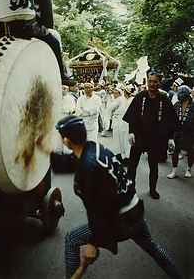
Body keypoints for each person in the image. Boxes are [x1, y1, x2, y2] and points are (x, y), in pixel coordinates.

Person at [55, 115, 187, 279]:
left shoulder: (88, 169)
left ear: (67, 141)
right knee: (152, 248)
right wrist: (46, 152)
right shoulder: (95, 148)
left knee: (71, 238)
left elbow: (102, 210)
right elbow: (71, 161)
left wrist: (94, 242)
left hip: (120, 219)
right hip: (135, 210)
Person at [123, 70, 179, 199]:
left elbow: (170, 119)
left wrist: (171, 138)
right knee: (132, 166)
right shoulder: (140, 96)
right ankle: (130, 189)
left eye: (155, 82)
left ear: (159, 83)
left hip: (156, 138)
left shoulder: (164, 98)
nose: (152, 84)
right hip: (139, 136)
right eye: (150, 81)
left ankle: (152, 189)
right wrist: (131, 132)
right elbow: (133, 116)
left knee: (153, 166)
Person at [7, 0, 66, 81]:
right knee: (54, 41)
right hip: (29, 24)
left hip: (5, 22)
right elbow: (46, 4)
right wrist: (47, 27)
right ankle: (60, 76)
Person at [167, 85, 194, 179]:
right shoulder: (177, 104)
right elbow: (171, 117)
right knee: (176, 150)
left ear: (184, 94)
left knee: (190, 151)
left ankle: (188, 169)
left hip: (190, 132)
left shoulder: (193, 104)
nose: (177, 94)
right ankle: (174, 170)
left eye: (179, 92)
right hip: (178, 131)